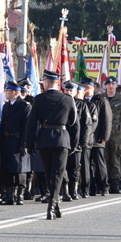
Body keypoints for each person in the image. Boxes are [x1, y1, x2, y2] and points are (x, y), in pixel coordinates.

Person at [26, 70, 77, 220]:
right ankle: (53, 203)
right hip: (62, 139)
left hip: (44, 139)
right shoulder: (67, 99)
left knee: (49, 173)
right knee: (58, 173)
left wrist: (29, 144)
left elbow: (31, 124)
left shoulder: (39, 99)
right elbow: (74, 124)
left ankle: (53, 202)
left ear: (47, 83)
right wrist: (73, 144)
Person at [0, 80, 31, 206]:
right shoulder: (6, 106)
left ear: (15, 92)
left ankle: (20, 195)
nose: (5, 93)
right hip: (7, 141)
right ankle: (10, 195)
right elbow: (2, 126)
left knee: (20, 170)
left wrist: (24, 145)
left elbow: (27, 127)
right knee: (8, 170)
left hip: (18, 140)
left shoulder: (25, 106)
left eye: (7, 91)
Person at [103, 76, 121, 194]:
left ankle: (115, 183)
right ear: (105, 86)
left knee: (115, 158)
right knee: (104, 158)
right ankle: (104, 183)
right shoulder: (101, 98)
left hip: (117, 132)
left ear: (116, 85)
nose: (110, 86)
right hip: (103, 132)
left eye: (113, 84)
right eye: (108, 84)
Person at [87, 78, 112, 196]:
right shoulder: (82, 100)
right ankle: (91, 187)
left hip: (97, 138)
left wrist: (104, 136)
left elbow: (107, 119)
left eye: (87, 86)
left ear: (94, 88)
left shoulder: (101, 100)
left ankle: (104, 187)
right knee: (88, 164)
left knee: (99, 162)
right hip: (86, 138)